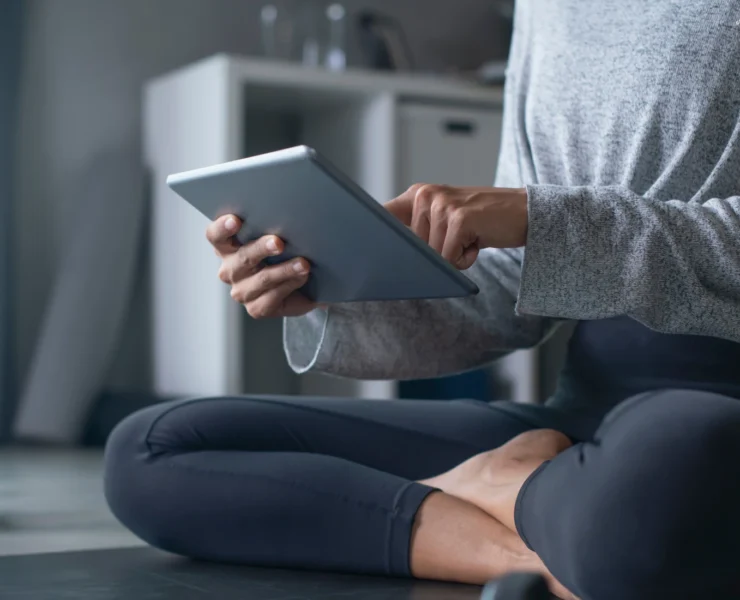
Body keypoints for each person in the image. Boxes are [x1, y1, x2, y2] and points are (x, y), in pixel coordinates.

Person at [104, 2, 740, 600]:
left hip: (702, 422)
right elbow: (514, 287)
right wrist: (328, 287)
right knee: (152, 447)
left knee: (682, 462)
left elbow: (548, 232)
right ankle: (526, 540)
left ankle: (517, 501)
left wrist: (543, 220)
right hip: (580, 433)